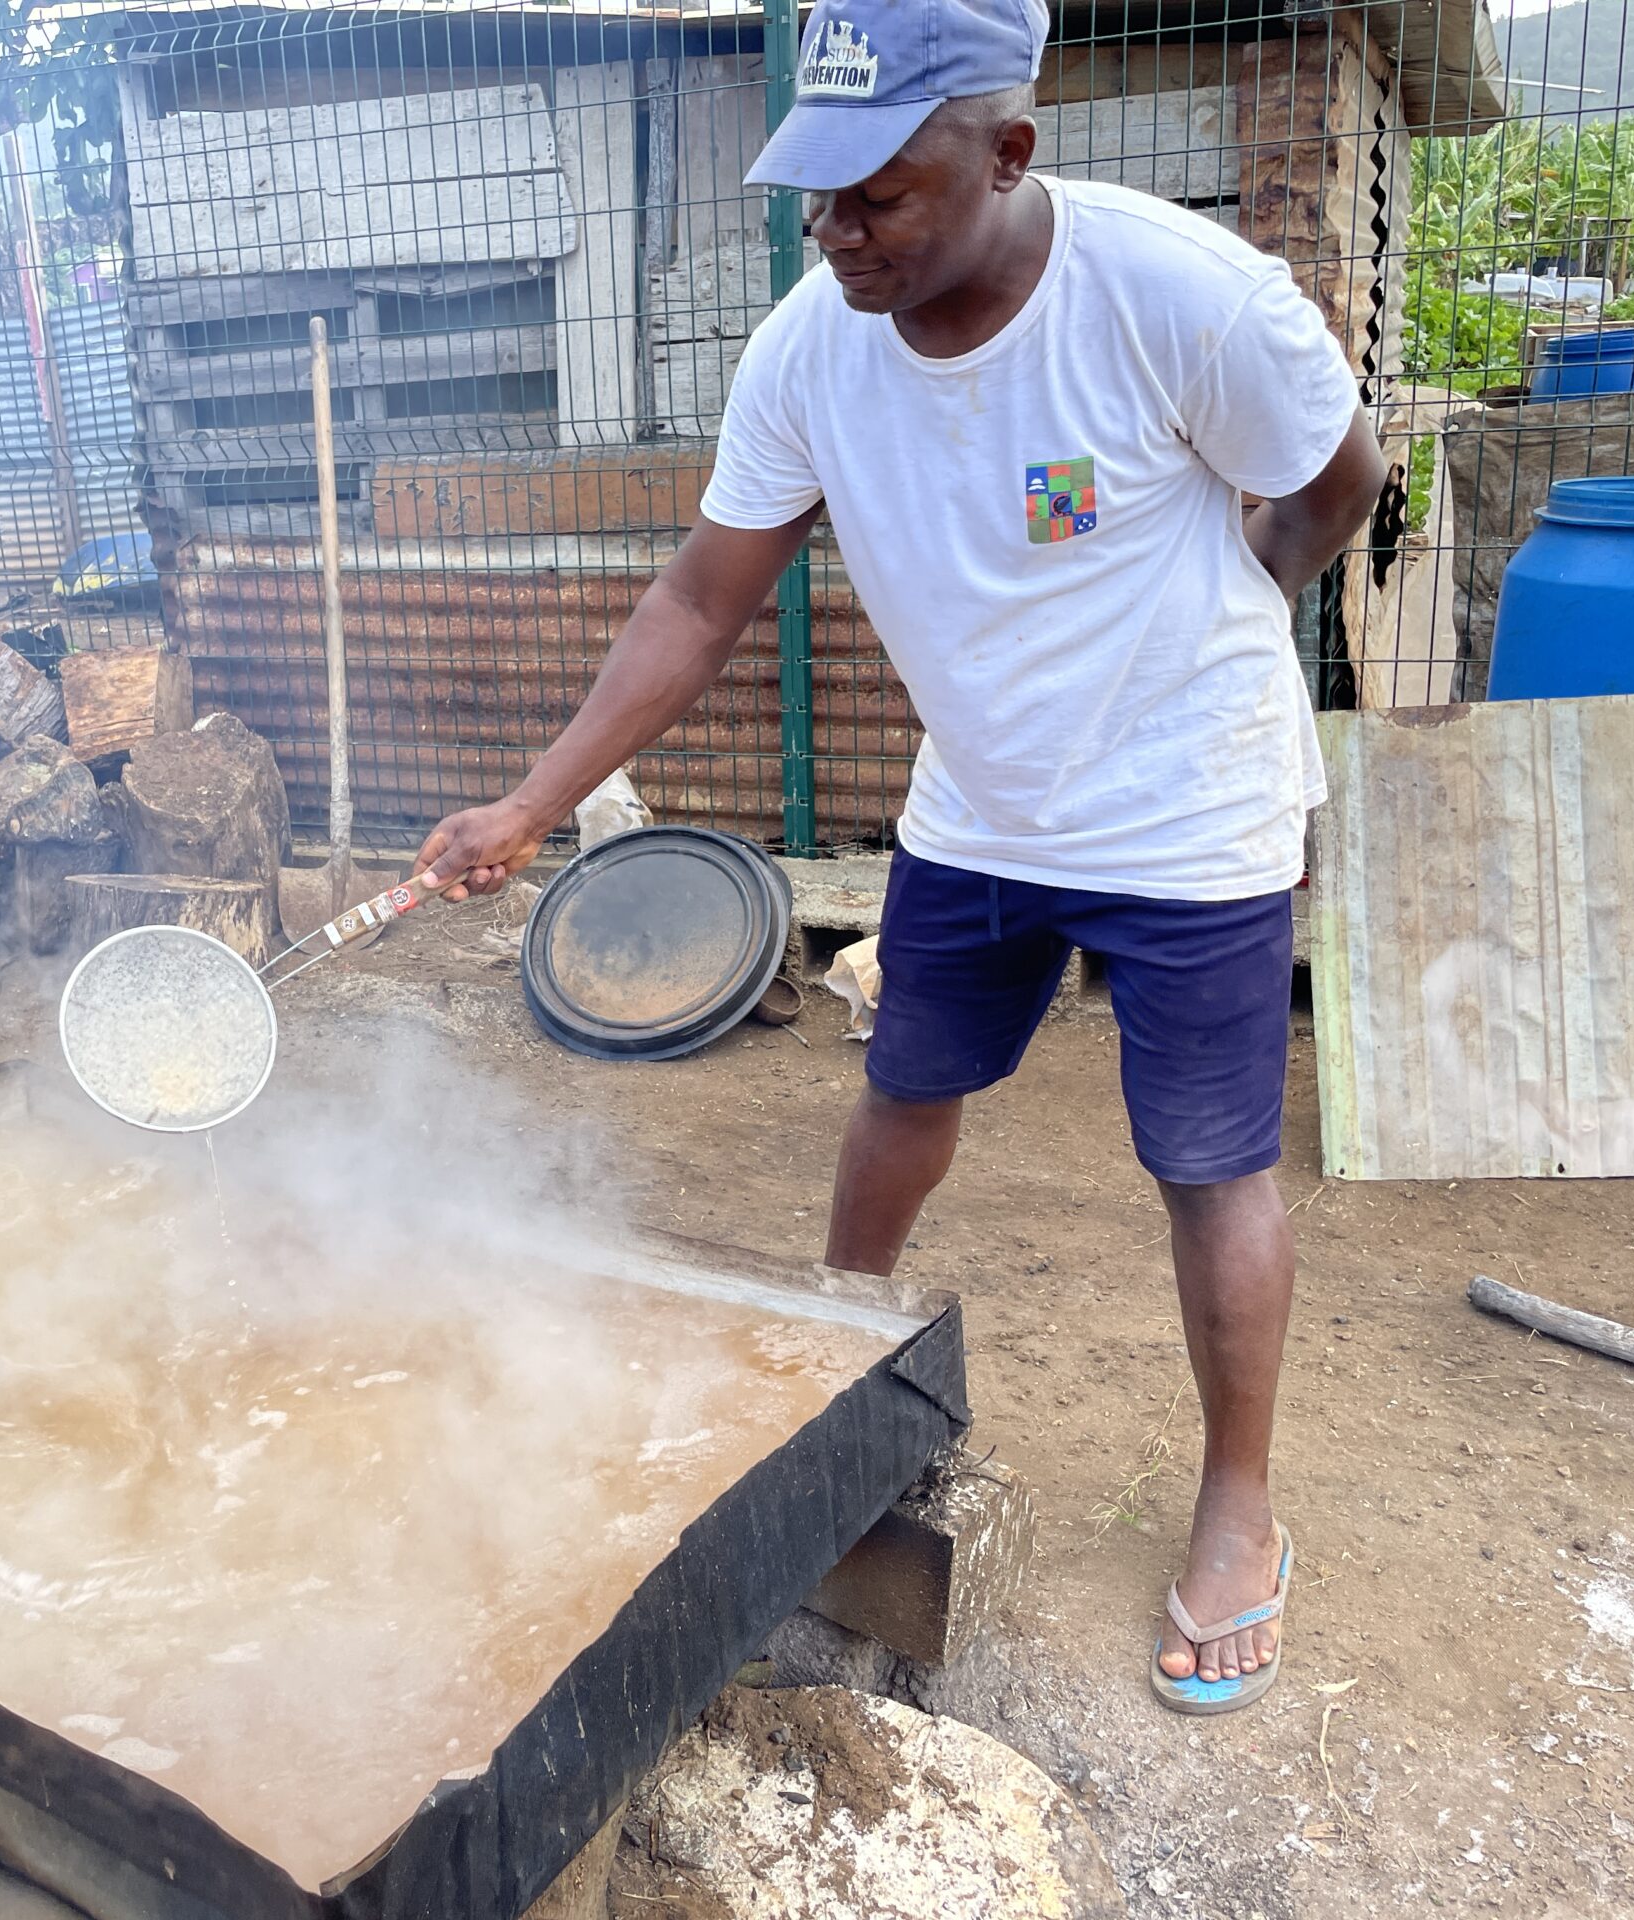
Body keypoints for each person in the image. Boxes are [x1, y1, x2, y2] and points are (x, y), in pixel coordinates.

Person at [413, 0, 1387, 1715]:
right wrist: (532, 800)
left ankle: (1239, 1504)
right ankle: (825, 1350)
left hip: (1191, 813)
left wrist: (1216, 630)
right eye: (815, 197)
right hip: (978, 809)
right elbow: (703, 599)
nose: (834, 233)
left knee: (1209, 1165)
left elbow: (1330, 489)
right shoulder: (811, 346)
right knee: (903, 1096)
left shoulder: (1187, 298)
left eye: (876, 195)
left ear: (1008, 153)